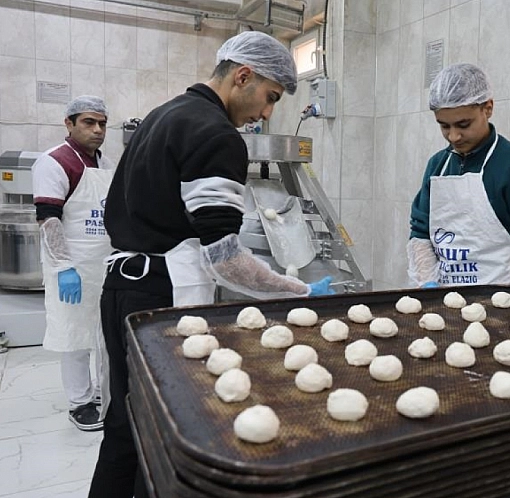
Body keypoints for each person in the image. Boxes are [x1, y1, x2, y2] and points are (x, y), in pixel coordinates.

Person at [87, 31, 334, 498]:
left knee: (124, 425)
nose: (265, 113)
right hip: (163, 299)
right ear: (243, 76)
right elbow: (225, 259)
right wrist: (299, 293)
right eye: (269, 98)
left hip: (122, 288)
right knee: (161, 434)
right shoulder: (216, 134)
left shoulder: (164, 115)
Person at [407, 63, 510, 289]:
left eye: (464, 124)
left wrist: (503, 294)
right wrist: (428, 283)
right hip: (443, 303)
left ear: (488, 108)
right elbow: (420, 233)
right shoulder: (438, 165)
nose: (453, 136)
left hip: (500, 312)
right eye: (444, 126)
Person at [33, 95, 114, 432]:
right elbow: (49, 220)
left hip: (105, 261)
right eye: (88, 122)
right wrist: (64, 266)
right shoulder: (53, 162)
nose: (97, 130)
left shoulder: (106, 164)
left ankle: (101, 393)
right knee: (76, 335)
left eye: (102, 123)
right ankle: (79, 402)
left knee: (103, 332)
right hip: (72, 264)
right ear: (69, 124)